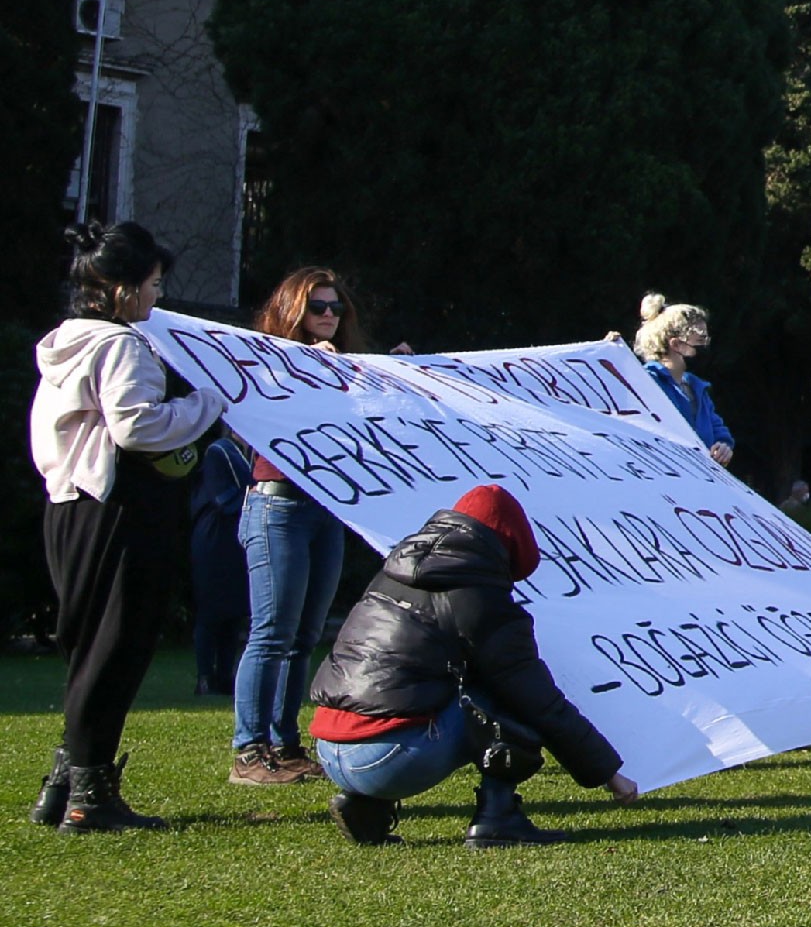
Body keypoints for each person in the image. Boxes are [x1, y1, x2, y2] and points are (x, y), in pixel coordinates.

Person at [29, 222, 236, 832]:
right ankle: (90, 796)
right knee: (116, 645)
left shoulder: (65, 343)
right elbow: (138, 427)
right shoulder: (121, 346)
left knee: (88, 646)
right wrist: (208, 402)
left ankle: (64, 782)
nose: (156, 297)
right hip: (116, 507)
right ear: (120, 292)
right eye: (150, 285)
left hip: (67, 504)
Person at [307, 484, 636, 847]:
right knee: (507, 694)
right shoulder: (478, 596)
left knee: (425, 687)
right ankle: (497, 817)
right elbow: (538, 701)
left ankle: (366, 806)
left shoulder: (393, 571)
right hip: (385, 757)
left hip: (328, 745)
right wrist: (608, 773)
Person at [228, 266, 373, 787]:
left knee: (305, 635)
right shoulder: (268, 361)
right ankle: (249, 749)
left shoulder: (342, 365)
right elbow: (261, 413)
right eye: (319, 307)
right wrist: (319, 373)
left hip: (322, 508)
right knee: (271, 633)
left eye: (337, 308)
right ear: (294, 312)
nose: (330, 316)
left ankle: (283, 743)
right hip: (278, 504)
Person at [188, 431, 254, 698]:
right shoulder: (219, 451)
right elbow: (222, 498)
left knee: (233, 613)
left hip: (237, 539)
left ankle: (225, 676)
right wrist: (254, 494)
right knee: (211, 611)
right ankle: (205, 676)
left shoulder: (249, 454)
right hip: (215, 538)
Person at [634, 294, 733, 465]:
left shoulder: (696, 388)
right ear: (676, 345)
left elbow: (719, 431)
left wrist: (724, 447)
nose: (705, 347)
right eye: (701, 340)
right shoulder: (648, 383)